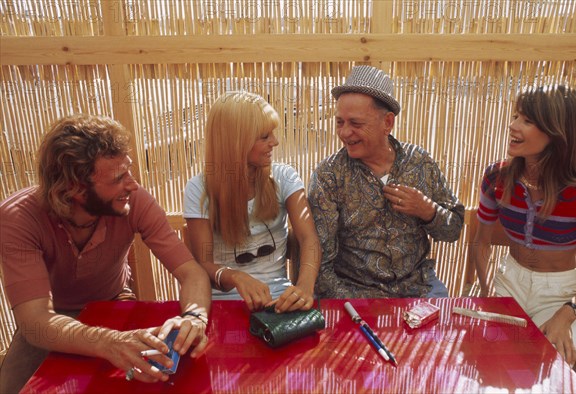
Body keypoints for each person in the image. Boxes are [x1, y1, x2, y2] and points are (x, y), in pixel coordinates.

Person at [0, 114, 212, 392]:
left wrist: (195, 318)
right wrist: (109, 342)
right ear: (74, 188)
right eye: (118, 178)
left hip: (112, 302)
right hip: (49, 323)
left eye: (129, 171)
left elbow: (191, 272)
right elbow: (36, 321)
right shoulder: (17, 218)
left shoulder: (135, 201)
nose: (133, 184)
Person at [308, 65, 464, 299]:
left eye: (356, 124)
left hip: (420, 287)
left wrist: (427, 210)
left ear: (388, 123)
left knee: (440, 333)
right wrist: (356, 306)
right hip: (356, 292)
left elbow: (453, 230)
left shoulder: (419, 162)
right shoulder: (329, 175)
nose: (345, 133)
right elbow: (321, 263)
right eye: (340, 122)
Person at [473, 85, 576, 366]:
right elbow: (481, 241)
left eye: (527, 120)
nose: (512, 125)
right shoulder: (496, 177)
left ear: (557, 133)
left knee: (546, 370)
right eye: (516, 116)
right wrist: (487, 293)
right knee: (491, 365)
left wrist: (567, 315)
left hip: (560, 296)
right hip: (508, 283)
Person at [183, 91, 321, 312]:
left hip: (279, 300)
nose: (274, 142)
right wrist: (235, 277)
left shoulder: (284, 177)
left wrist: (305, 286)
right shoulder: (199, 189)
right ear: (236, 142)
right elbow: (203, 265)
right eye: (264, 136)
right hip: (221, 304)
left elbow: (308, 238)